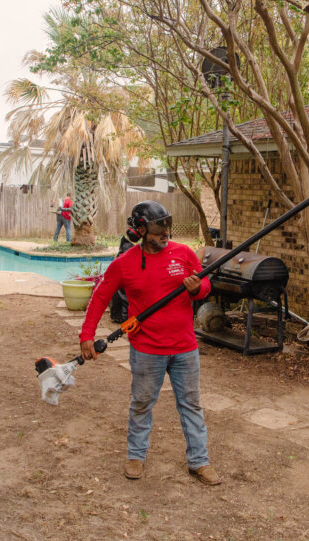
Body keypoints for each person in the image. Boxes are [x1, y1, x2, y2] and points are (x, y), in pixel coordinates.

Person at [79, 201, 220, 485]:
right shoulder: (125, 263)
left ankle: (199, 461)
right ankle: (135, 456)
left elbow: (205, 287)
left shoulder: (183, 254)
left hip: (185, 348)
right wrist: (86, 336)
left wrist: (198, 289)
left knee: (191, 404)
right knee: (142, 403)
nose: (164, 234)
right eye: (157, 230)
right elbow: (100, 297)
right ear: (140, 230)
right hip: (147, 350)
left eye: (166, 227)